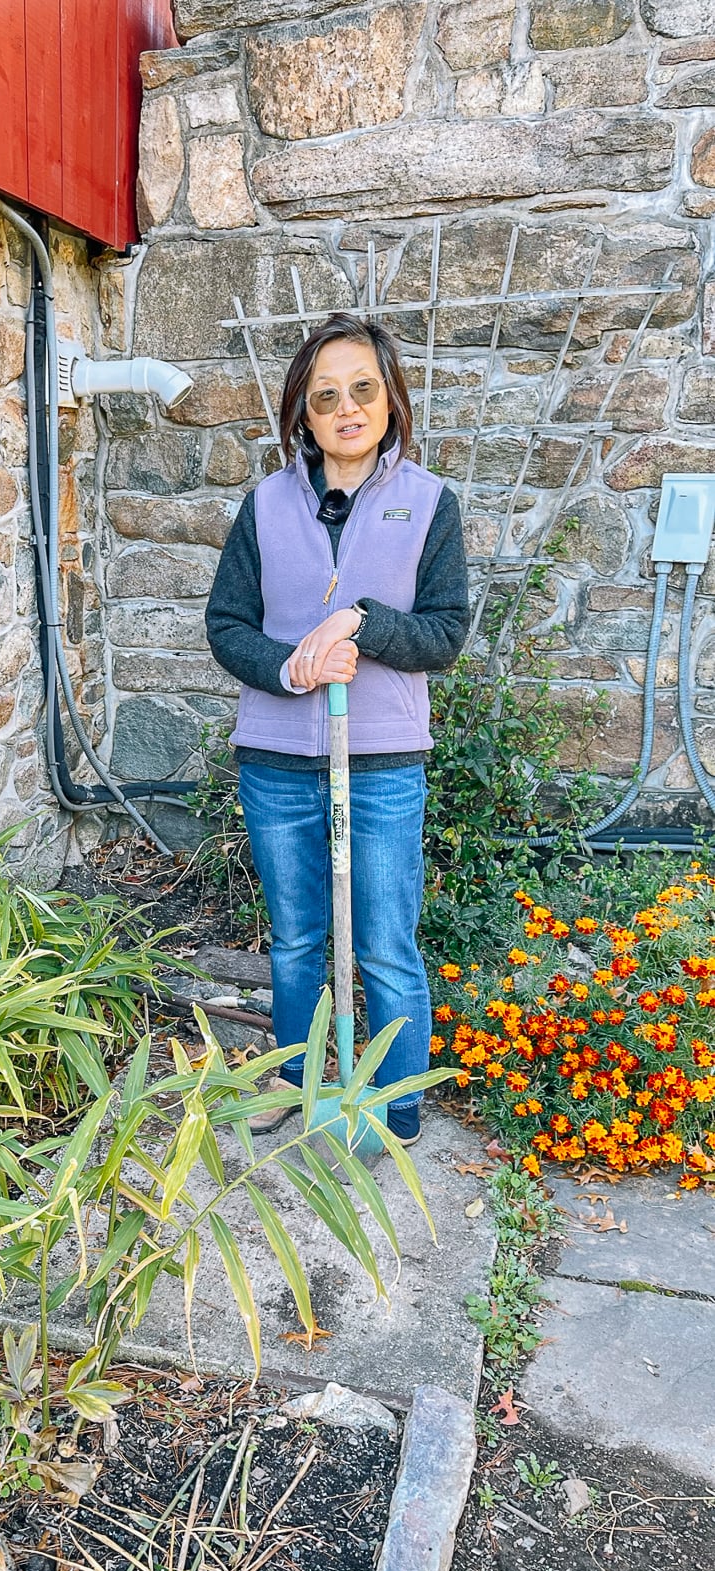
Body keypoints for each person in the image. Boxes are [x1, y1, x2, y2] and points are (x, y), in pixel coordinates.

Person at [205, 312, 468, 1144]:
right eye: (326, 397)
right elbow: (227, 624)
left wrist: (360, 623)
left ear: (390, 400)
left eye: (363, 390)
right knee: (296, 939)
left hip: (385, 761)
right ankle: (288, 1078)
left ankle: (396, 1102)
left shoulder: (428, 505)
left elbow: (444, 632)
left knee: (386, 941)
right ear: (303, 415)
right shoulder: (266, 505)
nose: (346, 409)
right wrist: (294, 668)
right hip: (277, 760)